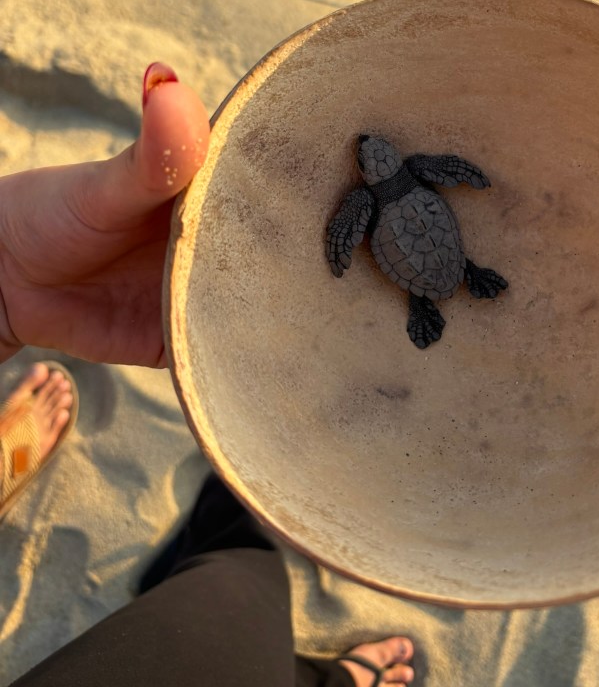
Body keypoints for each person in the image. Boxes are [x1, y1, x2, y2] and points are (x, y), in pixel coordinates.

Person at [0, 63, 416, 687]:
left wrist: (6, 286)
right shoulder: (407, 178)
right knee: (239, 585)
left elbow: (355, 223)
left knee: (236, 596)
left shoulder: (365, 199)